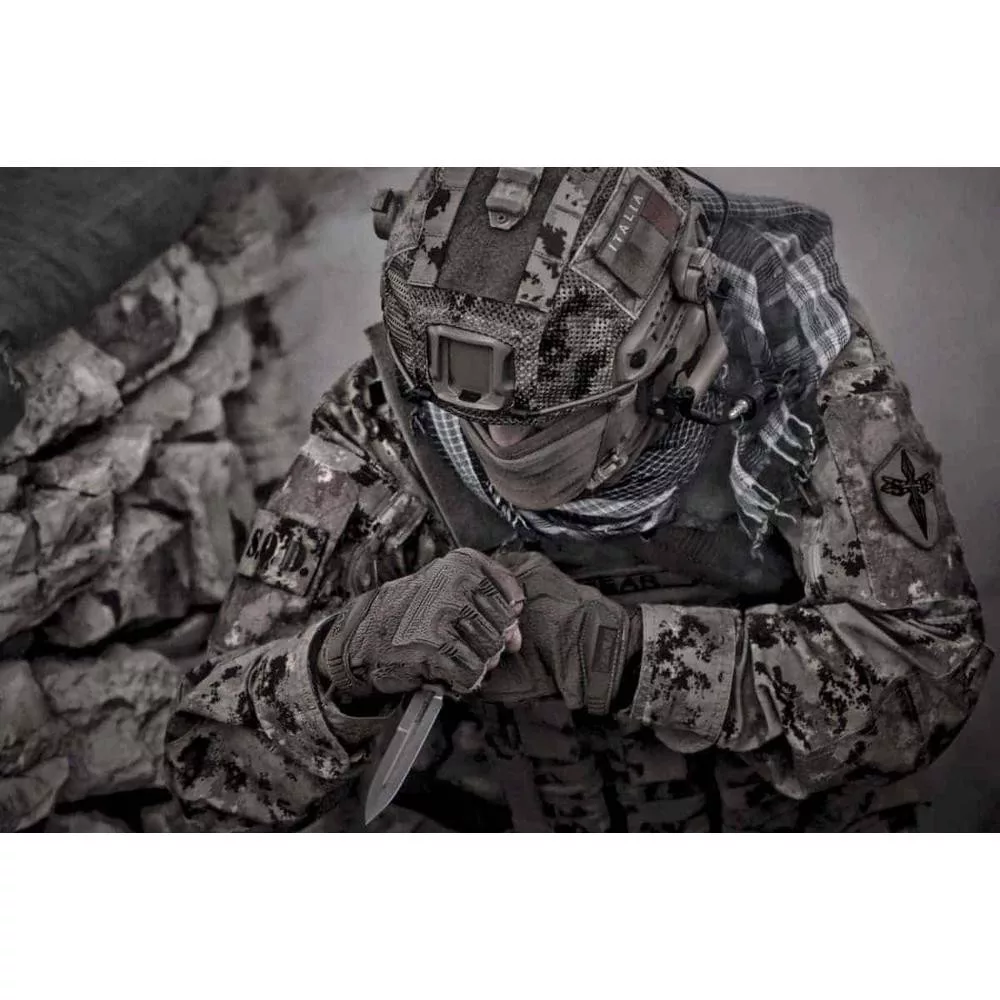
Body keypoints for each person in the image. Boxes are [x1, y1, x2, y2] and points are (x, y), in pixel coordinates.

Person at [165, 167, 993, 832]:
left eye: (547, 421)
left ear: (666, 348)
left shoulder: (799, 384)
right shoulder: (389, 419)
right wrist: (352, 656)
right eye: (476, 420)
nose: (503, 442)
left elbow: (927, 680)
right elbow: (208, 773)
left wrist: (622, 656)